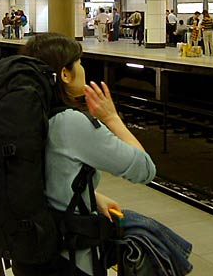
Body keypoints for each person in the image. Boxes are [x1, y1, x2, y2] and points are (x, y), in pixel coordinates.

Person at [18, 33, 156, 276]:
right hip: (70, 258)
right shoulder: (70, 123)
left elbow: (39, 178)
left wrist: (93, 196)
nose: (83, 68)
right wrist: (111, 117)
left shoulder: (26, 115)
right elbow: (144, 169)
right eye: (79, 62)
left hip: (29, 251)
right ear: (65, 74)